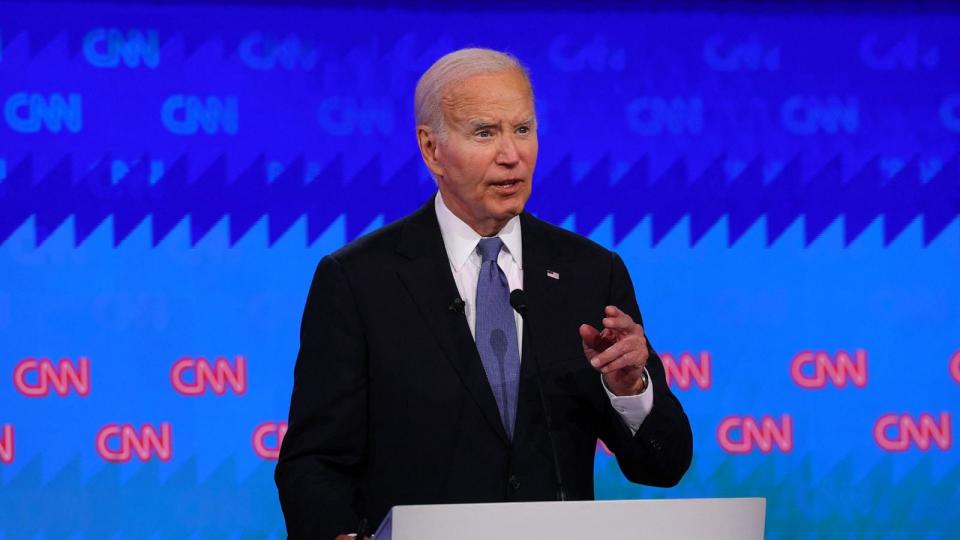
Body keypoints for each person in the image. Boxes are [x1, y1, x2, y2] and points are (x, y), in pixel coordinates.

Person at [275, 48, 693, 539]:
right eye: (484, 132)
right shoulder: (358, 281)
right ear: (432, 149)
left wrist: (631, 390)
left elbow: (662, 466)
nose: (511, 154)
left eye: (523, 129)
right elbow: (314, 462)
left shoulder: (589, 272)